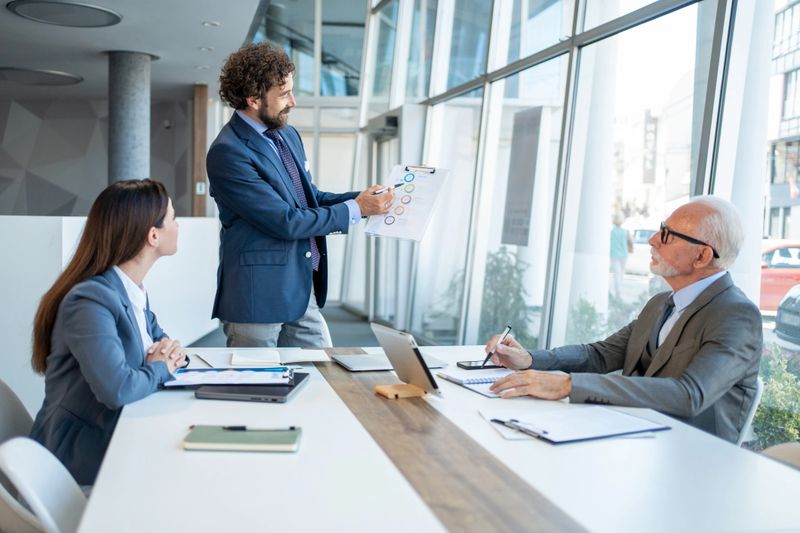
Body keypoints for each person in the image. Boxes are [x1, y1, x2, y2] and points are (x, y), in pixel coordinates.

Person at [487, 196, 762, 443]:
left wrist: (568, 385)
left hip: (692, 459)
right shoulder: (660, 303)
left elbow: (688, 395)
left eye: (667, 234)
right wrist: (530, 360)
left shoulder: (737, 315)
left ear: (702, 256)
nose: (652, 239)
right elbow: (600, 355)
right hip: (631, 439)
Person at [207, 43, 393, 348]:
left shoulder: (286, 135)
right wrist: (355, 210)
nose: (292, 102)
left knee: (323, 372)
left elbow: (307, 197)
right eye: (283, 94)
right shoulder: (228, 153)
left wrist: (361, 199)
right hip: (257, 296)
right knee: (255, 385)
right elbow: (285, 220)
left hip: (299, 282)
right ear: (252, 99)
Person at [29, 179, 188, 485]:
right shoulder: (90, 301)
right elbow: (117, 389)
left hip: (116, 434)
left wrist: (167, 356)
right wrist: (159, 368)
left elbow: (163, 344)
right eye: (173, 218)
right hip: (78, 457)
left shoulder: (131, 290)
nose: (178, 225)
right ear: (153, 235)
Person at [609, 213, 633, 297]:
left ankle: (618, 291)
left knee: (617, 273)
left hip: (614, 254)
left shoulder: (611, 232)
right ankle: (618, 290)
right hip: (624, 255)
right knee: (621, 273)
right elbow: (630, 242)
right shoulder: (625, 232)